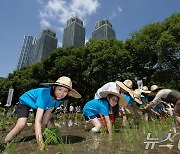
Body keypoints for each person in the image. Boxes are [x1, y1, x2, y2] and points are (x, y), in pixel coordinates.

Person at [4, 76, 81, 150]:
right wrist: (41, 144)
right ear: (54, 88)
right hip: (25, 102)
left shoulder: (58, 101)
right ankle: (6, 141)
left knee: (44, 124)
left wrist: (44, 126)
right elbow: (38, 120)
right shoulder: (44, 96)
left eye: (65, 91)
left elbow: (47, 114)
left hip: (36, 105)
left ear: (68, 93)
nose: (61, 93)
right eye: (59, 89)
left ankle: (37, 134)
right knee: (21, 124)